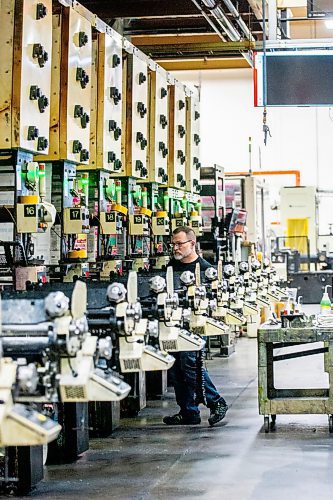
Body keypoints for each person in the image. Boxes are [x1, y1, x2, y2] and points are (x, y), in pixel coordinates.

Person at [163, 225, 229, 426]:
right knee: (175, 368)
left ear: (192, 243)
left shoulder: (206, 270)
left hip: (195, 324)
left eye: (179, 244)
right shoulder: (170, 269)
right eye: (173, 244)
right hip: (172, 324)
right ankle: (189, 412)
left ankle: (217, 402)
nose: (175, 248)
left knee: (190, 363)